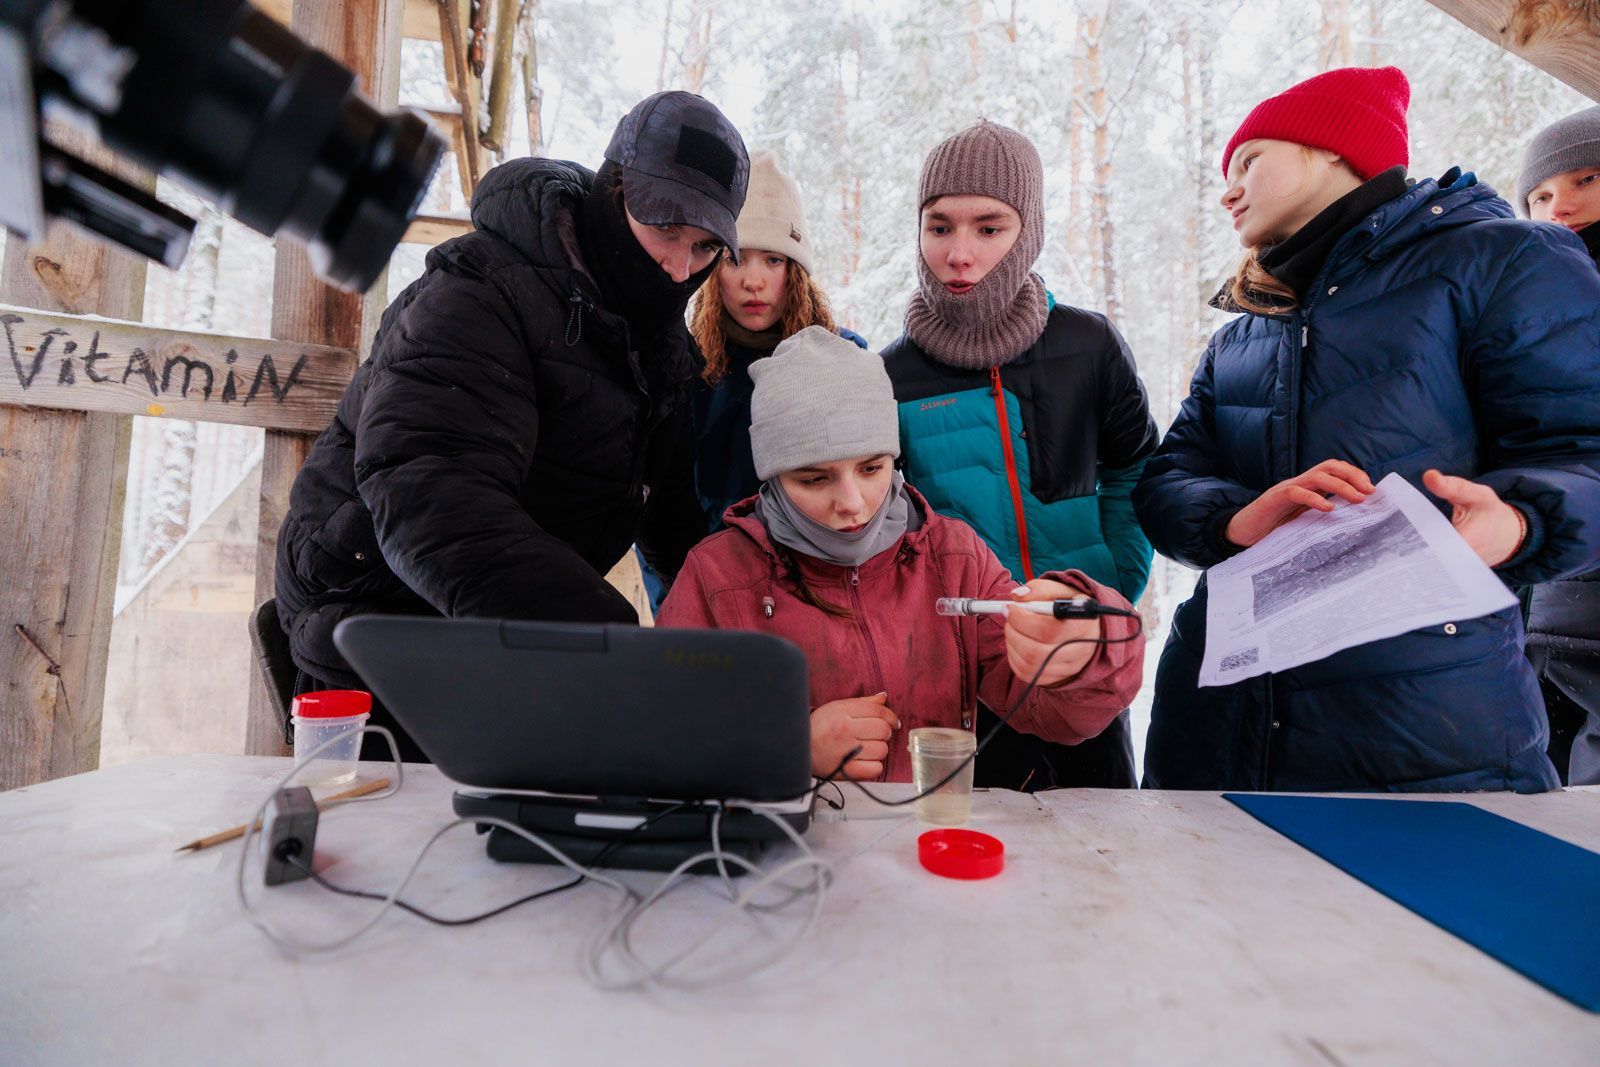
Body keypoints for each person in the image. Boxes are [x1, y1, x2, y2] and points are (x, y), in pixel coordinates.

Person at [1132, 66, 1600, 793]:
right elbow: (1165, 480)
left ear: (1333, 150)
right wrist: (1234, 521)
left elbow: (1584, 452)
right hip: (1214, 737)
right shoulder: (1243, 336)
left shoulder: (1502, 262)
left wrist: (1514, 520)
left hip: (1420, 740)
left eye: (1249, 160)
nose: (1228, 189)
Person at [273, 91, 749, 760]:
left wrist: (747, 620)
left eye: (703, 246)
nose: (678, 266)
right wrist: (607, 638)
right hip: (370, 623)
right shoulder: (479, 294)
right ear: (614, 191)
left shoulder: (660, 355)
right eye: (664, 228)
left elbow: (671, 521)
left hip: (492, 635)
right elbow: (432, 499)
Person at [656, 326, 1144, 783]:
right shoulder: (718, 575)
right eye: (813, 478)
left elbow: (1052, 714)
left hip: (928, 847)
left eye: (871, 469)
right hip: (783, 856)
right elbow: (663, 738)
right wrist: (787, 747)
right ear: (772, 478)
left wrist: (1091, 650)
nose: (851, 503)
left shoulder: (953, 556)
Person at [879, 121, 1159, 789]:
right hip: (964, 686)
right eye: (939, 226)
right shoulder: (892, 374)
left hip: (1080, 659)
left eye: (989, 227)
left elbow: (1137, 469)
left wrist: (1113, 585)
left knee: (1099, 861)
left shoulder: (1087, 345)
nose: (959, 253)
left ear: (1027, 230)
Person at [688, 150, 868, 531]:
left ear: (796, 271)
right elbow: (661, 513)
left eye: (773, 259)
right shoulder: (685, 370)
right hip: (711, 579)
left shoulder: (848, 360)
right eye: (735, 259)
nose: (753, 282)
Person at [1516, 104, 1600, 786]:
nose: (1560, 204)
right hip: (1547, 602)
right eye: (1540, 194)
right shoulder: (1526, 299)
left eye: (1586, 179)